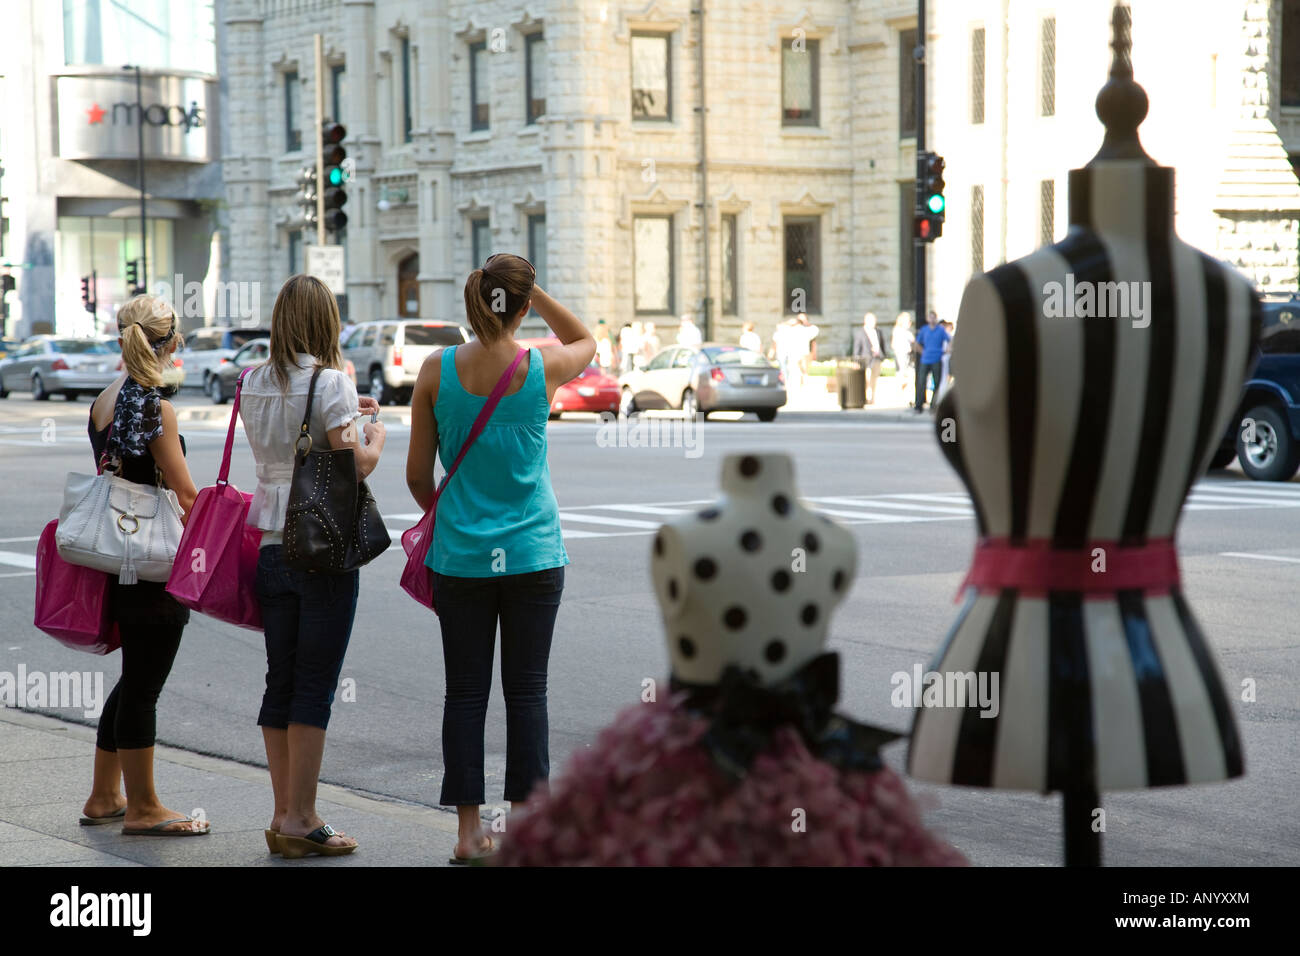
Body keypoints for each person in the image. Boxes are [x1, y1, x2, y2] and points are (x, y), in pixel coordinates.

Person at [406, 252, 594, 864]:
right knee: (528, 691)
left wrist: (454, 512)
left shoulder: (437, 371)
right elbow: (588, 338)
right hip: (534, 553)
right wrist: (533, 294)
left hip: (460, 556)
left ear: (472, 301)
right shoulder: (540, 367)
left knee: (464, 693)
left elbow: (416, 476)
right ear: (518, 304)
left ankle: (467, 833)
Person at [240, 274, 385, 858]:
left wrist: (348, 407)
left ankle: (282, 814)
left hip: (269, 545)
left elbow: (289, 442)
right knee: (315, 688)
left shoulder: (252, 381)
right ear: (326, 322)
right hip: (320, 548)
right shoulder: (331, 383)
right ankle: (303, 816)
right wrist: (374, 431)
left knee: (282, 678)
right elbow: (355, 465)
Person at [82, 294, 208, 837]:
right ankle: (144, 807)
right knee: (144, 686)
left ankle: (105, 795)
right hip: (154, 559)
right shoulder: (155, 405)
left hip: (117, 555)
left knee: (134, 676)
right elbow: (183, 491)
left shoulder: (106, 400)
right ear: (171, 340)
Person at [915, 309, 950, 412]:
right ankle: (919, 404)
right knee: (921, 381)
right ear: (928, 319)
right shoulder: (924, 330)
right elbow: (917, 344)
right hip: (925, 359)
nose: (932, 319)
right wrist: (923, 352)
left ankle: (933, 405)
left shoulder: (940, 330)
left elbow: (949, 340)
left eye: (934, 317)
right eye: (930, 317)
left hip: (937, 359)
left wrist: (947, 350)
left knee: (937, 382)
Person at [851, 312, 885, 405]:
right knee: (866, 379)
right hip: (865, 360)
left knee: (874, 379)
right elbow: (857, 348)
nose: (873, 322)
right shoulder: (860, 333)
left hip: (876, 358)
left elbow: (882, 344)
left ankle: (872, 398)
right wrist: (856, 360)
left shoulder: (878, 331)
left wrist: (882, 355)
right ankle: (865, 397)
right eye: (871, 321)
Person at [891, 312, 915, 405]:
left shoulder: (907, 332)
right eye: (907, 321)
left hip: (908, 356)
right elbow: (894, 345)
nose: (909, 323)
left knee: (910, 377)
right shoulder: (898, 331)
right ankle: (903, 398)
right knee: (903, 376)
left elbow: (913, 341)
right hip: (901, 356)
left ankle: (908, 398)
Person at [937, 319, 955, 402]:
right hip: (943, 357)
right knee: (943, 379)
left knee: (945, 378)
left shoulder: (947, 336)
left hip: (946, 358)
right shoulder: (944, 336)